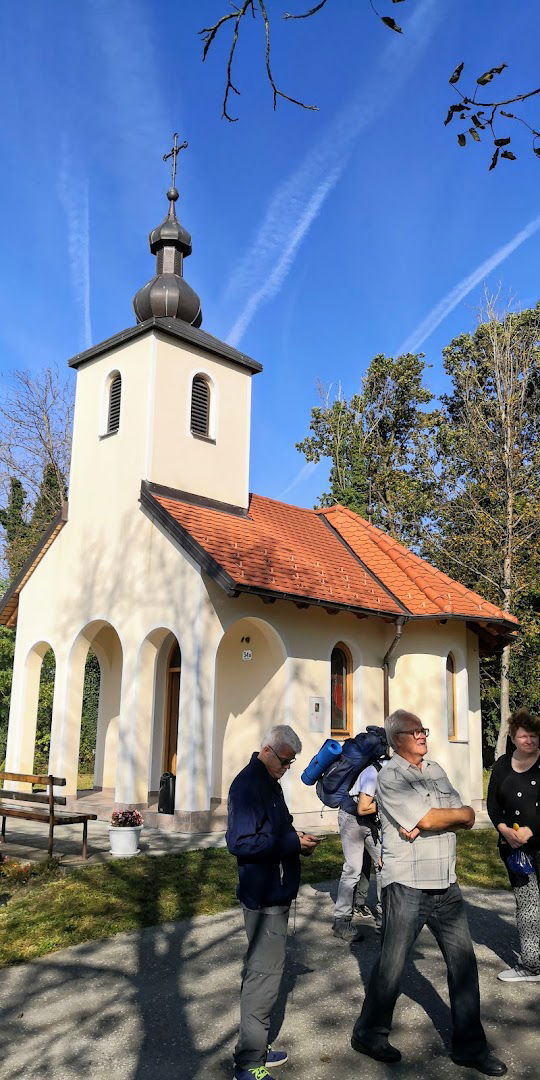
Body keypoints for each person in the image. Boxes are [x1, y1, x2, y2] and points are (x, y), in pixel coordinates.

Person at [351, 709, 507, 1077]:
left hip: (446, 882)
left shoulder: (435, 769)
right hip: (407, 884)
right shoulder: (389, 776)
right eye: (415, 730)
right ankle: (369, 1033)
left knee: (463, 965)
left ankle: (470, 1047)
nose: (423, 735)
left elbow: (466, 815)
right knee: (391, 967)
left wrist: (446, 815)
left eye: (423, 729)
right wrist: (436, 817)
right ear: (396, 739)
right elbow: (428, 819)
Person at [226, 724, 319, 1080]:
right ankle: (248, 1062)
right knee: (263, 977)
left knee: (265, 973)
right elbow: (241, 843)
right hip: (263, 897)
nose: (287, 767)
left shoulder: (269, 782)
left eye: (291, 762)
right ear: (267, 750)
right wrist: (292, 845)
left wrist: (295, 838)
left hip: (275, 892)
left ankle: (257, 1045)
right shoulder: (249, 786)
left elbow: (272, 831)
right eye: (284, 760)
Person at [486, 706, 540, 982]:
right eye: (523, 736)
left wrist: (533, 829)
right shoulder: (502, 765)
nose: (528, 740)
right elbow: (492, 805)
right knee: (528, 904)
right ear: (513, 737)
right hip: (515, 849)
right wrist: (504, 830)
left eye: (533, 736)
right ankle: (532, 965)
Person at [332, 758, 385, 941]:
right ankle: (341, 921)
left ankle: (384, 919)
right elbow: (363, 808)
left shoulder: (393, 771)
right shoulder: (373, 773)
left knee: (383, 865)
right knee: (353, 869)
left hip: (370, 822)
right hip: (352, 818)